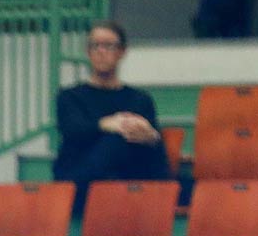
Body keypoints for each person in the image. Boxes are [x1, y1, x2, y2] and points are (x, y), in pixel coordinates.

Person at [51, 20, 173, 210]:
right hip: (81, 182)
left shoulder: (139, 99)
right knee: (116, 140)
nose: (101, 51)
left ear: (121, 52)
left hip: (127, 177)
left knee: (146, 142)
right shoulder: (69, 97)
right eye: (95, 45)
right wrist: (104, 125)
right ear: (88, 52)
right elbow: (73, 131)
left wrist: (152, 137)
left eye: (108, 45)